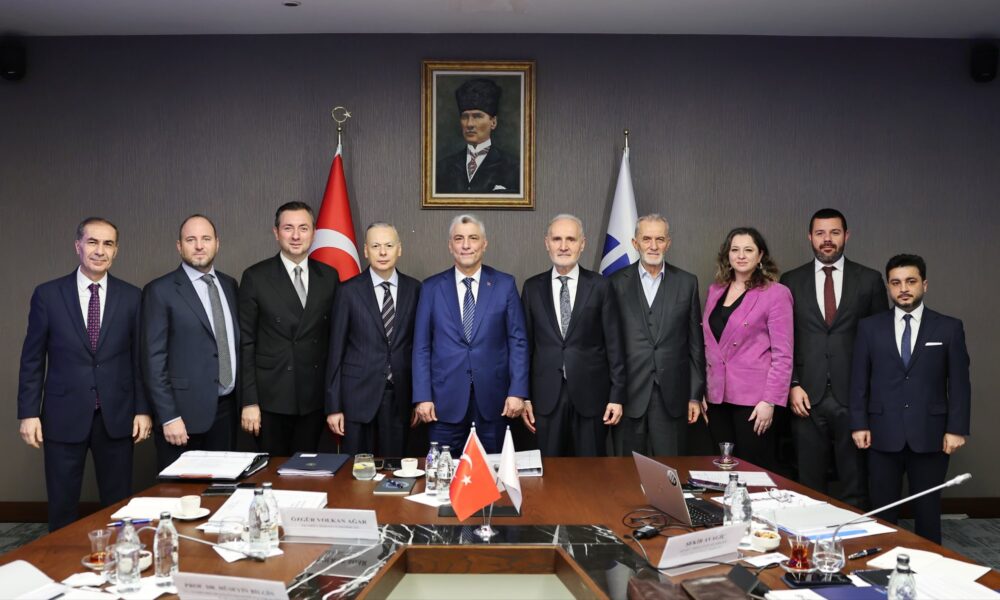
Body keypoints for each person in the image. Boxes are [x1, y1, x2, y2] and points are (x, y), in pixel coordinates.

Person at [17, 217, 152, 531]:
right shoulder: (48, 295)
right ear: (78, 245)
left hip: (116, 416)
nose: (100, 251)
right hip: (62, 415)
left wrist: (143, 410)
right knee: (62, 505)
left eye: (108, 244)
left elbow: (139, 360)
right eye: (92, 242)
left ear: (116, 251)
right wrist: (28, 413)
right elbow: (32, 358)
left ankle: (120, 558)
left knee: (118, 505)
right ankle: (60, 561)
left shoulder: (132, 297)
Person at [850, 254, 970, 544]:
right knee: (882, 512)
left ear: (924, 285)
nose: (903, 288)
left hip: (931, 433)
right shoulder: (869, 327)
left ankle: (930, 563)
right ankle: (880, 562)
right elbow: (859, 380)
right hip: (881, 432)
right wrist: (858, 423)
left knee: (927, 511)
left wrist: (956, 429)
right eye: (896, 283)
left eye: (910, 281)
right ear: (889, 287)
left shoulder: (949, 327)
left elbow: (960, 383)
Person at [780, 208, 887, 508]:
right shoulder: (790, 281)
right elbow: (783, 339)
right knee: (808, 482)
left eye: (835, 232)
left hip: (853, 396)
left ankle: (855, 534)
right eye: (820, 233)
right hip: (805, 396)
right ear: (810, 237)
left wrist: (870, 396)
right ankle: (809, 535)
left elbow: (881, 345)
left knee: (855, 480)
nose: (827, 239)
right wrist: (792, 384)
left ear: (846, 236)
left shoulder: (869, 280)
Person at [412, 214, 529, 454]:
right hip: (443, 404)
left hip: (494, 402)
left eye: (473, 238)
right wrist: (422, 397)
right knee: (444, 472)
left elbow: (518, 342)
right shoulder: (431, 288)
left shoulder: (505, 285)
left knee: (492, 471)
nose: (466, 245)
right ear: (450, 245)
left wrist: (517, 391)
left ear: (484, 244)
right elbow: (421, 346)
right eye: (459, 239)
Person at [238, 202, 339, 455]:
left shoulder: (329, 276)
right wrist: (249, 401)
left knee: (309, 472)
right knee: (272, 472)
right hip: (270, 400)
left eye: (303, 228)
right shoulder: (255, 277)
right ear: (276, 232)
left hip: (314, 400)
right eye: (288, 228)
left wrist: (335, 401)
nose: (296, 236)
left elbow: (334, 341)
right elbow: (246, 343)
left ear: (313, 233)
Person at [520, 214, 626, 456]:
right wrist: (524, 396)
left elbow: (615, 345)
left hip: (592, 398)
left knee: (591, 472)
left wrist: (617, 396)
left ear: (582, 244)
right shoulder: (532, 287)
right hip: (545, 398)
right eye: (557, 239)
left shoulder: (601, 286)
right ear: (547, 243)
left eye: (571, 239)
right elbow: (525, 347)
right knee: (548, 470)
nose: (563, 246)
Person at [142, 214, 239, 470]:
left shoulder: (229, 285)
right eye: (191, 239)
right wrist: (168, 416)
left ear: (217, 243)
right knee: (180, 491)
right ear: (179, 246)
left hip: (227, 411)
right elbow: (153, 360)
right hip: (182, 417)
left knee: (223, 487)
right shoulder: (159, 291)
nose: (199, 246)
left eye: (206, 239)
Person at [609, 214, 705, 456]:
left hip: (672, 397)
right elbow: (609, 344)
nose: (653, 246)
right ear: (635, 243)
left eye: (659, 239)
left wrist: (695, 395)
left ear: (668, 243)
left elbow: (695, 344)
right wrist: (612, 395)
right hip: (628, 396)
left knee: (669, 470)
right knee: (626, 470)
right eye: (646, 239)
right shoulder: (615, 283)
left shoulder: (687, 282)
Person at [326, 222, 421, 456]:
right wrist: (334, 406)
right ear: (366, 251)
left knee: (396, 468)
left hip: (400, 396)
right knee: (357, 469)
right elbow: (335, 351)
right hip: (357, 396)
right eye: (376, 246)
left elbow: (420, 348)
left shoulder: (415, 289)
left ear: (399, 249)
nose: (383, 252)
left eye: (389, 245)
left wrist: (420, 398)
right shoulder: (348, 291)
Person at [702, 227, 793, 471]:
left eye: (748, 250)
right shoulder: (715, 290)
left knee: (753, 472)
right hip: (717, 398)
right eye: (735, 250)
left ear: (760, 255)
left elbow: (783, 355)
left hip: (755, 402)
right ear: (727, 255)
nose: (741, 255)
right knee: (722, 469)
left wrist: (770, 401)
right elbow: (708, 345)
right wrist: (703, 389)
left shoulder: (776, 294)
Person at [435, 78, 520, 195]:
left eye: (477, 116)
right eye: (465, 117)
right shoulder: (442, 168)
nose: (469, 124)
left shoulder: (514, 168)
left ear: (493, 122)